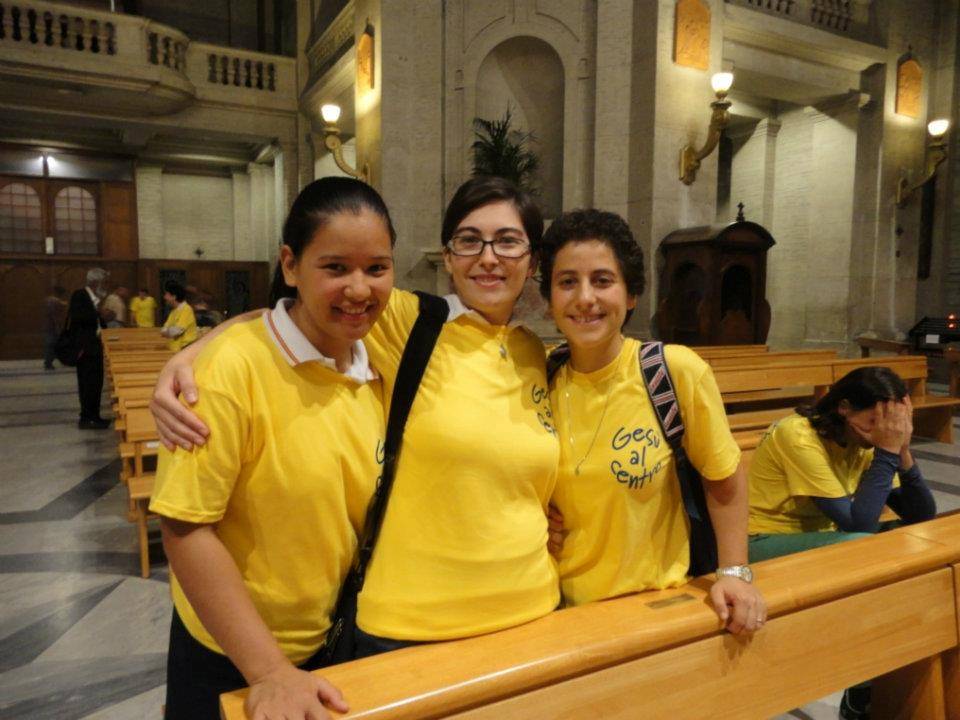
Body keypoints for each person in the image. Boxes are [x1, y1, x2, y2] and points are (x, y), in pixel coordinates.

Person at [150, 176, 562, 659]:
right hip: (411, 620)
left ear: (533, 260)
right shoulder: (408, 319)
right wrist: (190, 357)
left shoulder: (536, 353)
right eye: (469, 240)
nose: (488, 257)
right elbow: (299, 309)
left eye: (508, 241)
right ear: (448, 256)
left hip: (534, 607)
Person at [150, 177, 396, 719]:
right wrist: (267, 670)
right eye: (335, 268)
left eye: (377, 268)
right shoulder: (229, 370)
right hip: (233, 650)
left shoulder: (380, 355)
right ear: (290, 265)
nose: (359, 289)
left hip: (334, 634)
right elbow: (185, 528)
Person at [538, 209, 765, 633]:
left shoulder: (672, 372)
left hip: (652, 607)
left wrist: (734, 573)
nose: (585, 298)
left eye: (602, 280)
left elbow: (724, 479)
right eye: (567, 282)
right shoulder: (539, 377)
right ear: (549, 300)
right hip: (556, 609)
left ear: (631, 294)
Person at [747, 367, 936, 562]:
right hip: (764, 537)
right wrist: (887, 453)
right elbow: (858, 525)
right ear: (844, 407)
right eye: (875, 420)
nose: (886, 430)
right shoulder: (798, 436)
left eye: (893, 424)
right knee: (861, 544)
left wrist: (902, 450)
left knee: (919, 534)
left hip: (829, 533)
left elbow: (921, 515)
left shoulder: (867, 437)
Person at [66, 268, 111, 429]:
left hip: (95, 346)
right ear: (95, 282)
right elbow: (78, 318)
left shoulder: (95, 299)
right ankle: (86, 418)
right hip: (85, 348)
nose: (106, 286)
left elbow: (98, 323)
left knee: (96, 383)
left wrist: (103, 318)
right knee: (87, 384)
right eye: (104, 282)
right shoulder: (80, 295)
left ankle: (95, 416)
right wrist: (98, 312)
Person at [161, 281, 199, 351]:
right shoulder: (173, 312)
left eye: (166, 294)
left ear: (174, 297)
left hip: (185, 350)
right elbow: (163, 330)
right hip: (175, 350)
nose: (164, 297)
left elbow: (176, 331)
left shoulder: (186, 309)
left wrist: (168, 331)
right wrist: (168, 331)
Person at [43, 285, 68, 370]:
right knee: (52, 345)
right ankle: (48, 363)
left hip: (48, 326)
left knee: (50, 345)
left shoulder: (48, 300)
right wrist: (58, 327)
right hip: (53, 327)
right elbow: (55, 316)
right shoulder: (56, 302)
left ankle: (49, 362)